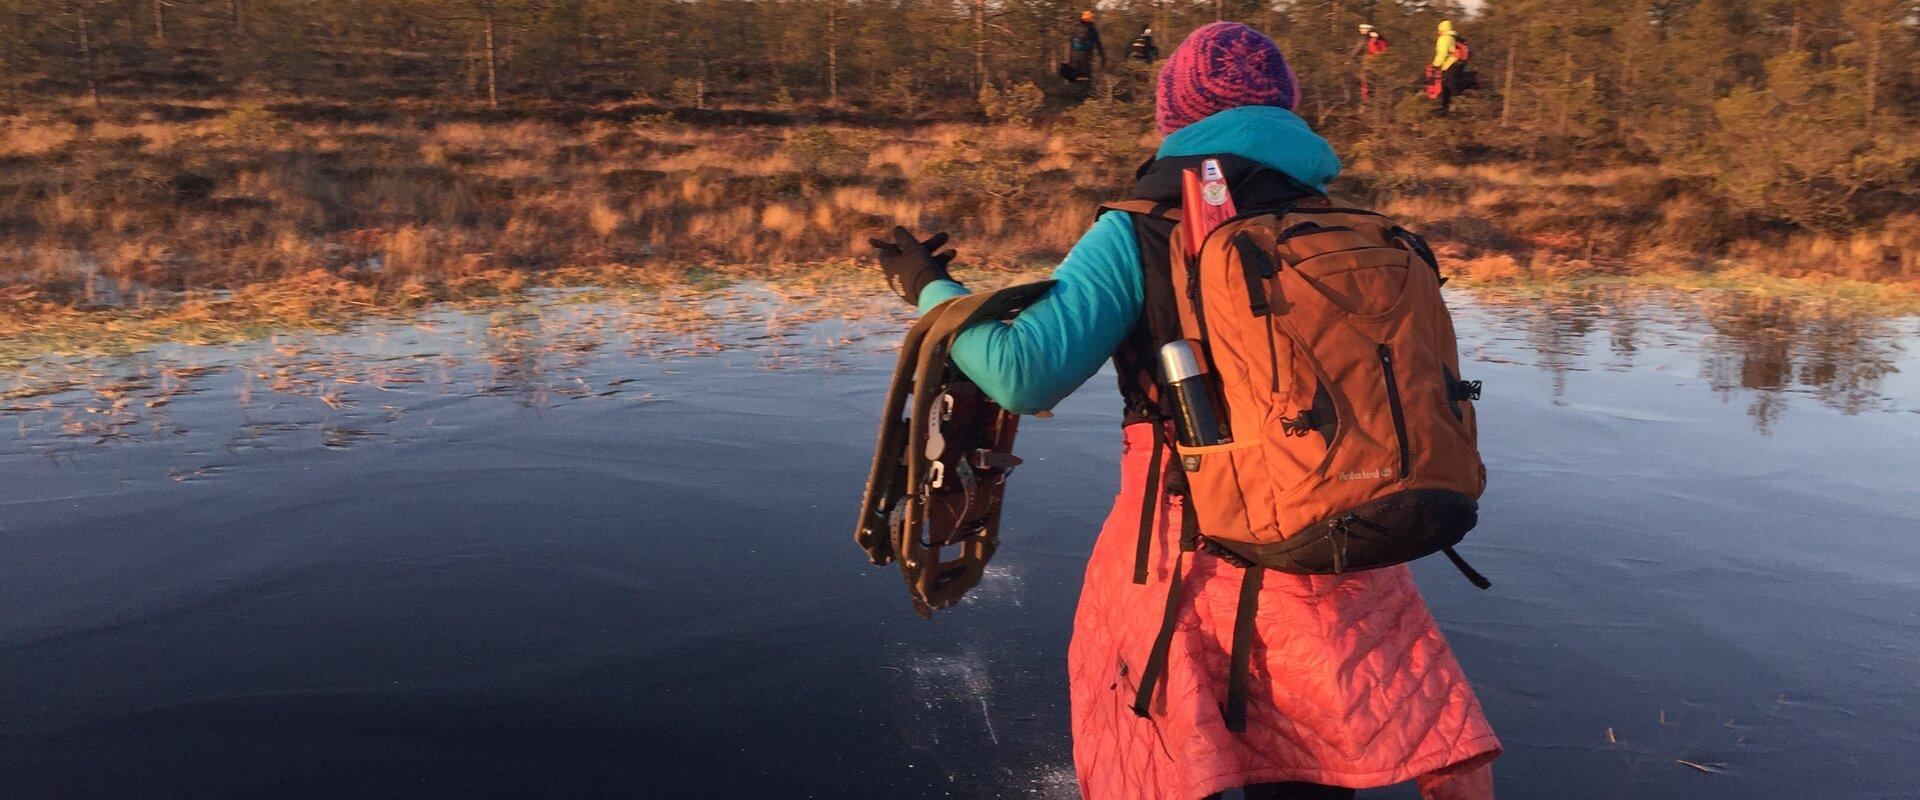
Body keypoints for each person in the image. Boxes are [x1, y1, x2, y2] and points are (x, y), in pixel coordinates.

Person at [870, 22, 1500, 800]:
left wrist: (928, 290)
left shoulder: (1140, 226)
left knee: (1174, 741)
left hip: (1196, 547)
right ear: (1285, 114)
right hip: (1345, 542)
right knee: (1311, 763)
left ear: (1177, 117)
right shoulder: (1343, 225)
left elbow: (1022, 372)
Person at [1432, 20, 1468, 112]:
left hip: (1449, 65)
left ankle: (1450, 108)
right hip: (1456, 64)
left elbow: (1442, 53)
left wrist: (1436, 64)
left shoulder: (1444, 38)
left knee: (1447, 86)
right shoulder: (1453, 38)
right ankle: (1449, 108)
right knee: (1449, 86)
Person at [1350, 23, 1390, 101]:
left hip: (1369, 62)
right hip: (1381, 62)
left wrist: (1349, 58)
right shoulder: (1380, 37)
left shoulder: (1365, 38)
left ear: (1367, 30)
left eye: (1362, 29)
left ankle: (1365, 99)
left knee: (1364, 80)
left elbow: (1357, 50)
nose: (1360, 30)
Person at [1065, 10, 1107, 82]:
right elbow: (1098, 44)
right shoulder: (1092, 30)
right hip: (1086, 60)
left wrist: (1069, 58)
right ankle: (1085, 78)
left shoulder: (1076, 28)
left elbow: (1070, 41)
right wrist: (1103, 57)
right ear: (1090, 19)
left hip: (1074, 58)